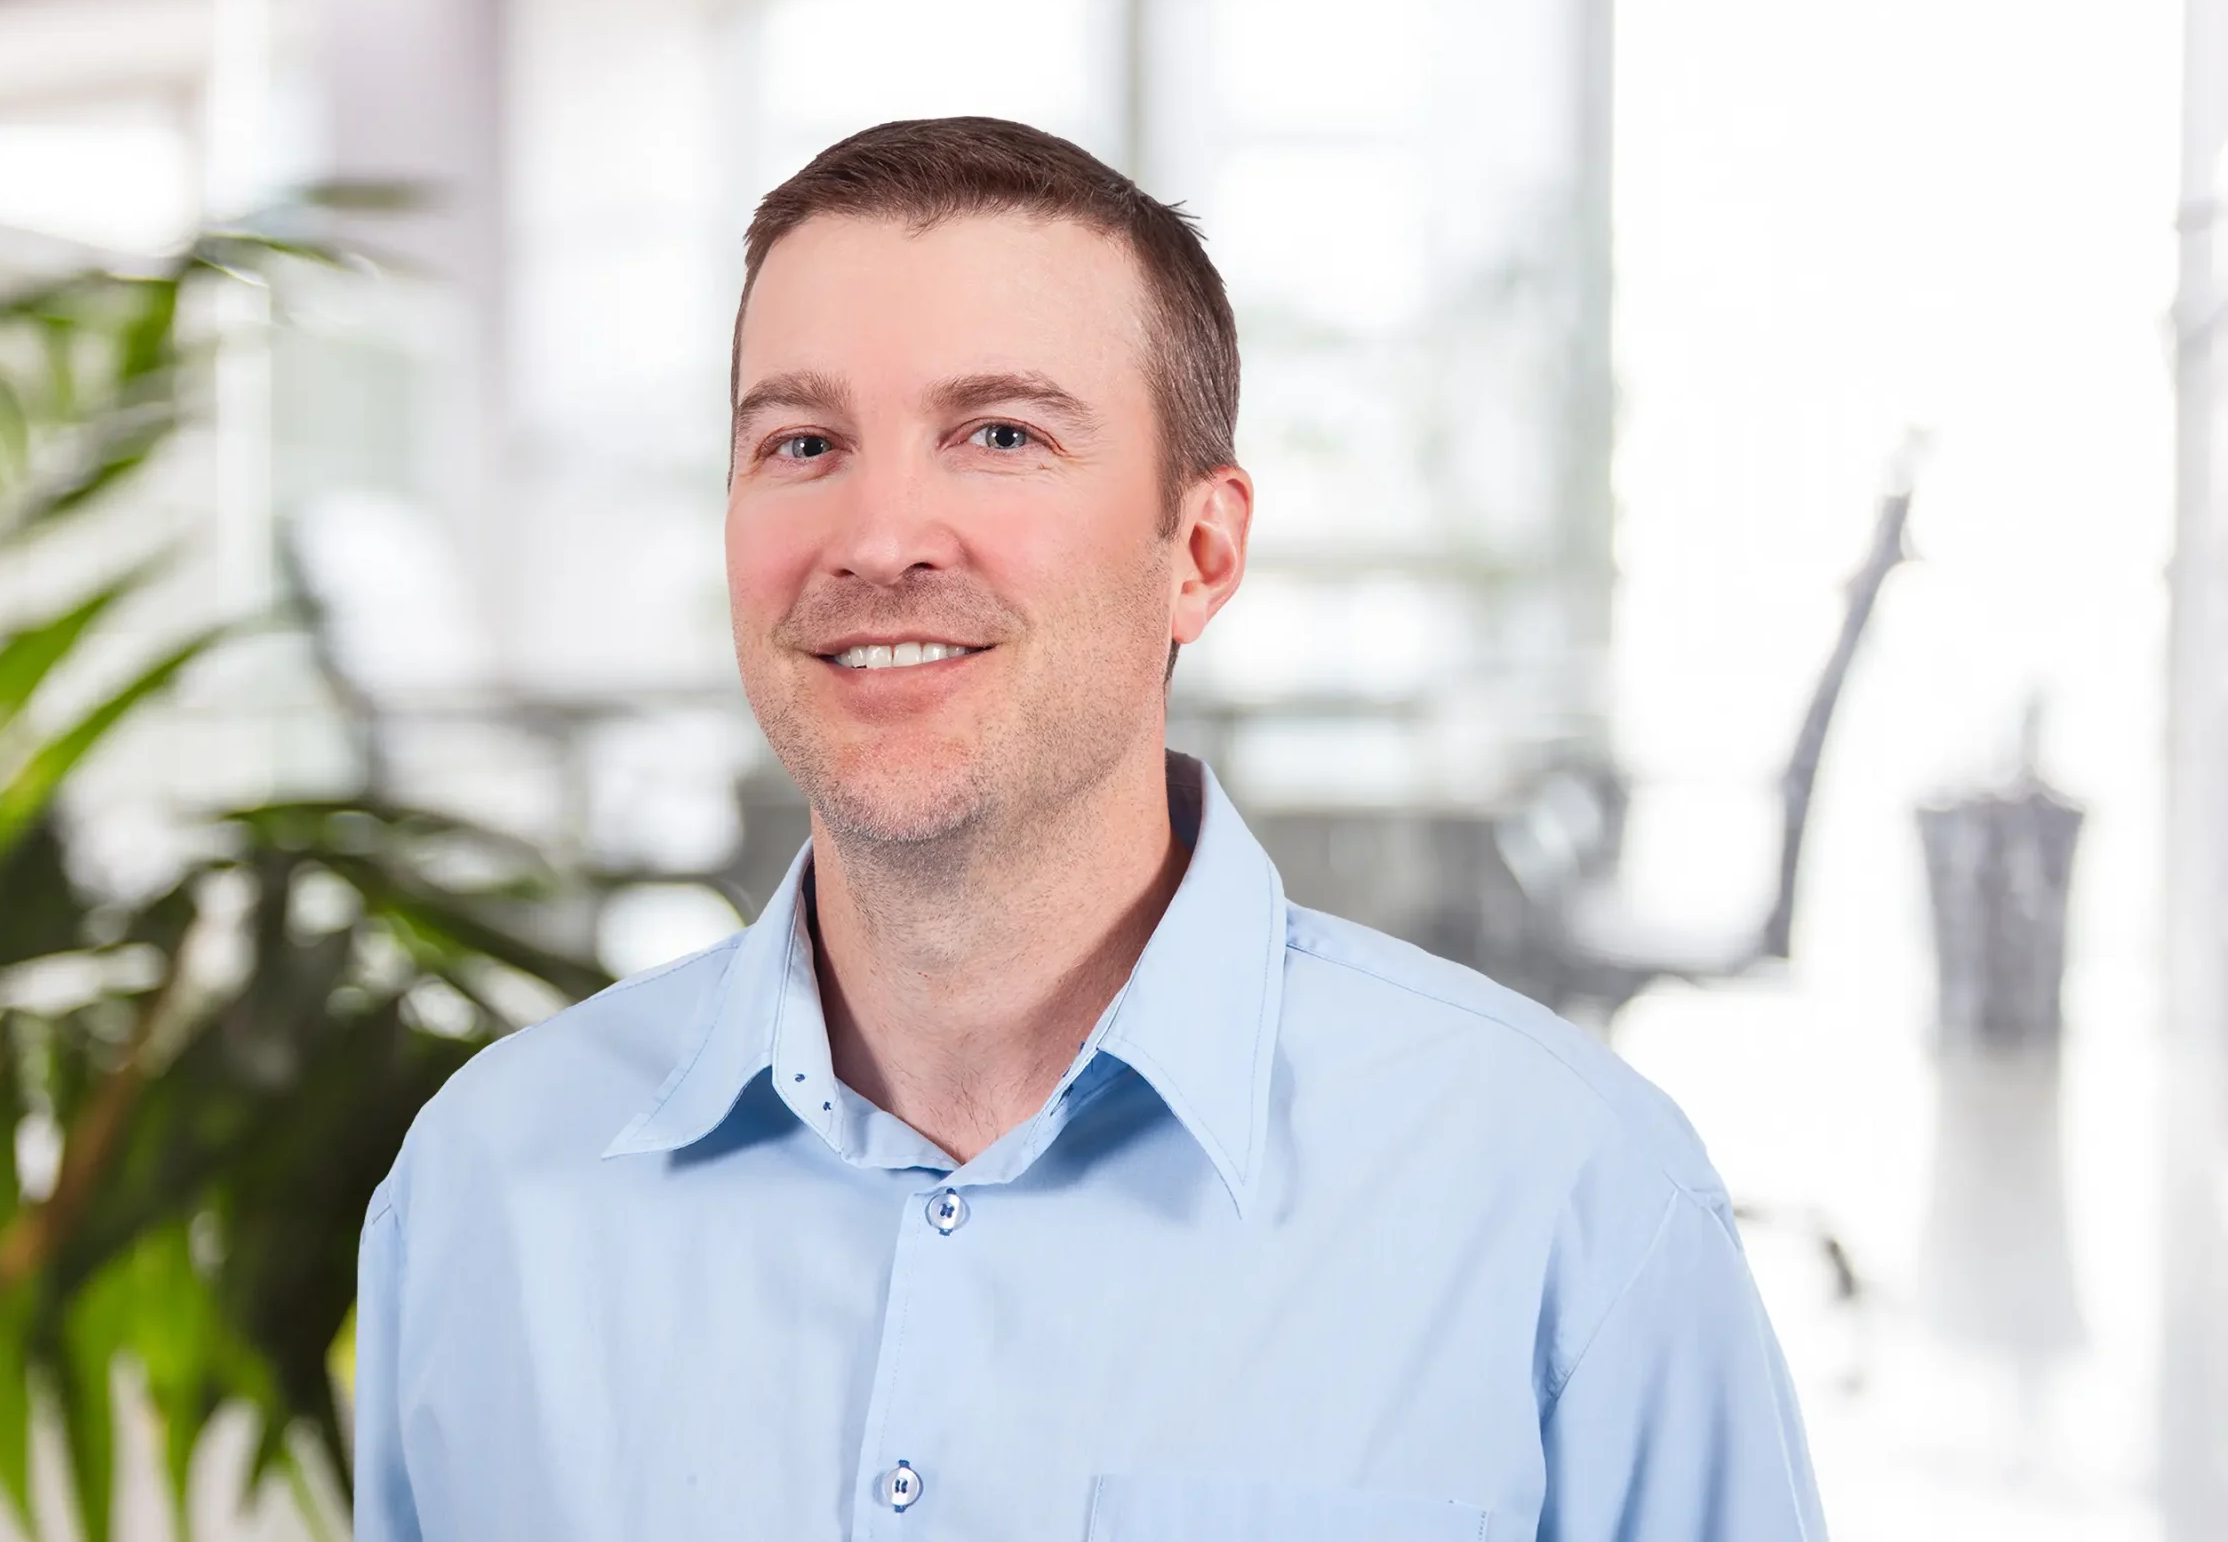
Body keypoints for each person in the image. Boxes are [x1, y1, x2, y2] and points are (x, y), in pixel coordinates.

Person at [353, 116, 1825, 1541]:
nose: (878, 536)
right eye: (802, 442)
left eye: (999, 432)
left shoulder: (1564, 1198)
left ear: (1202, 552)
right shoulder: (483, 1191)